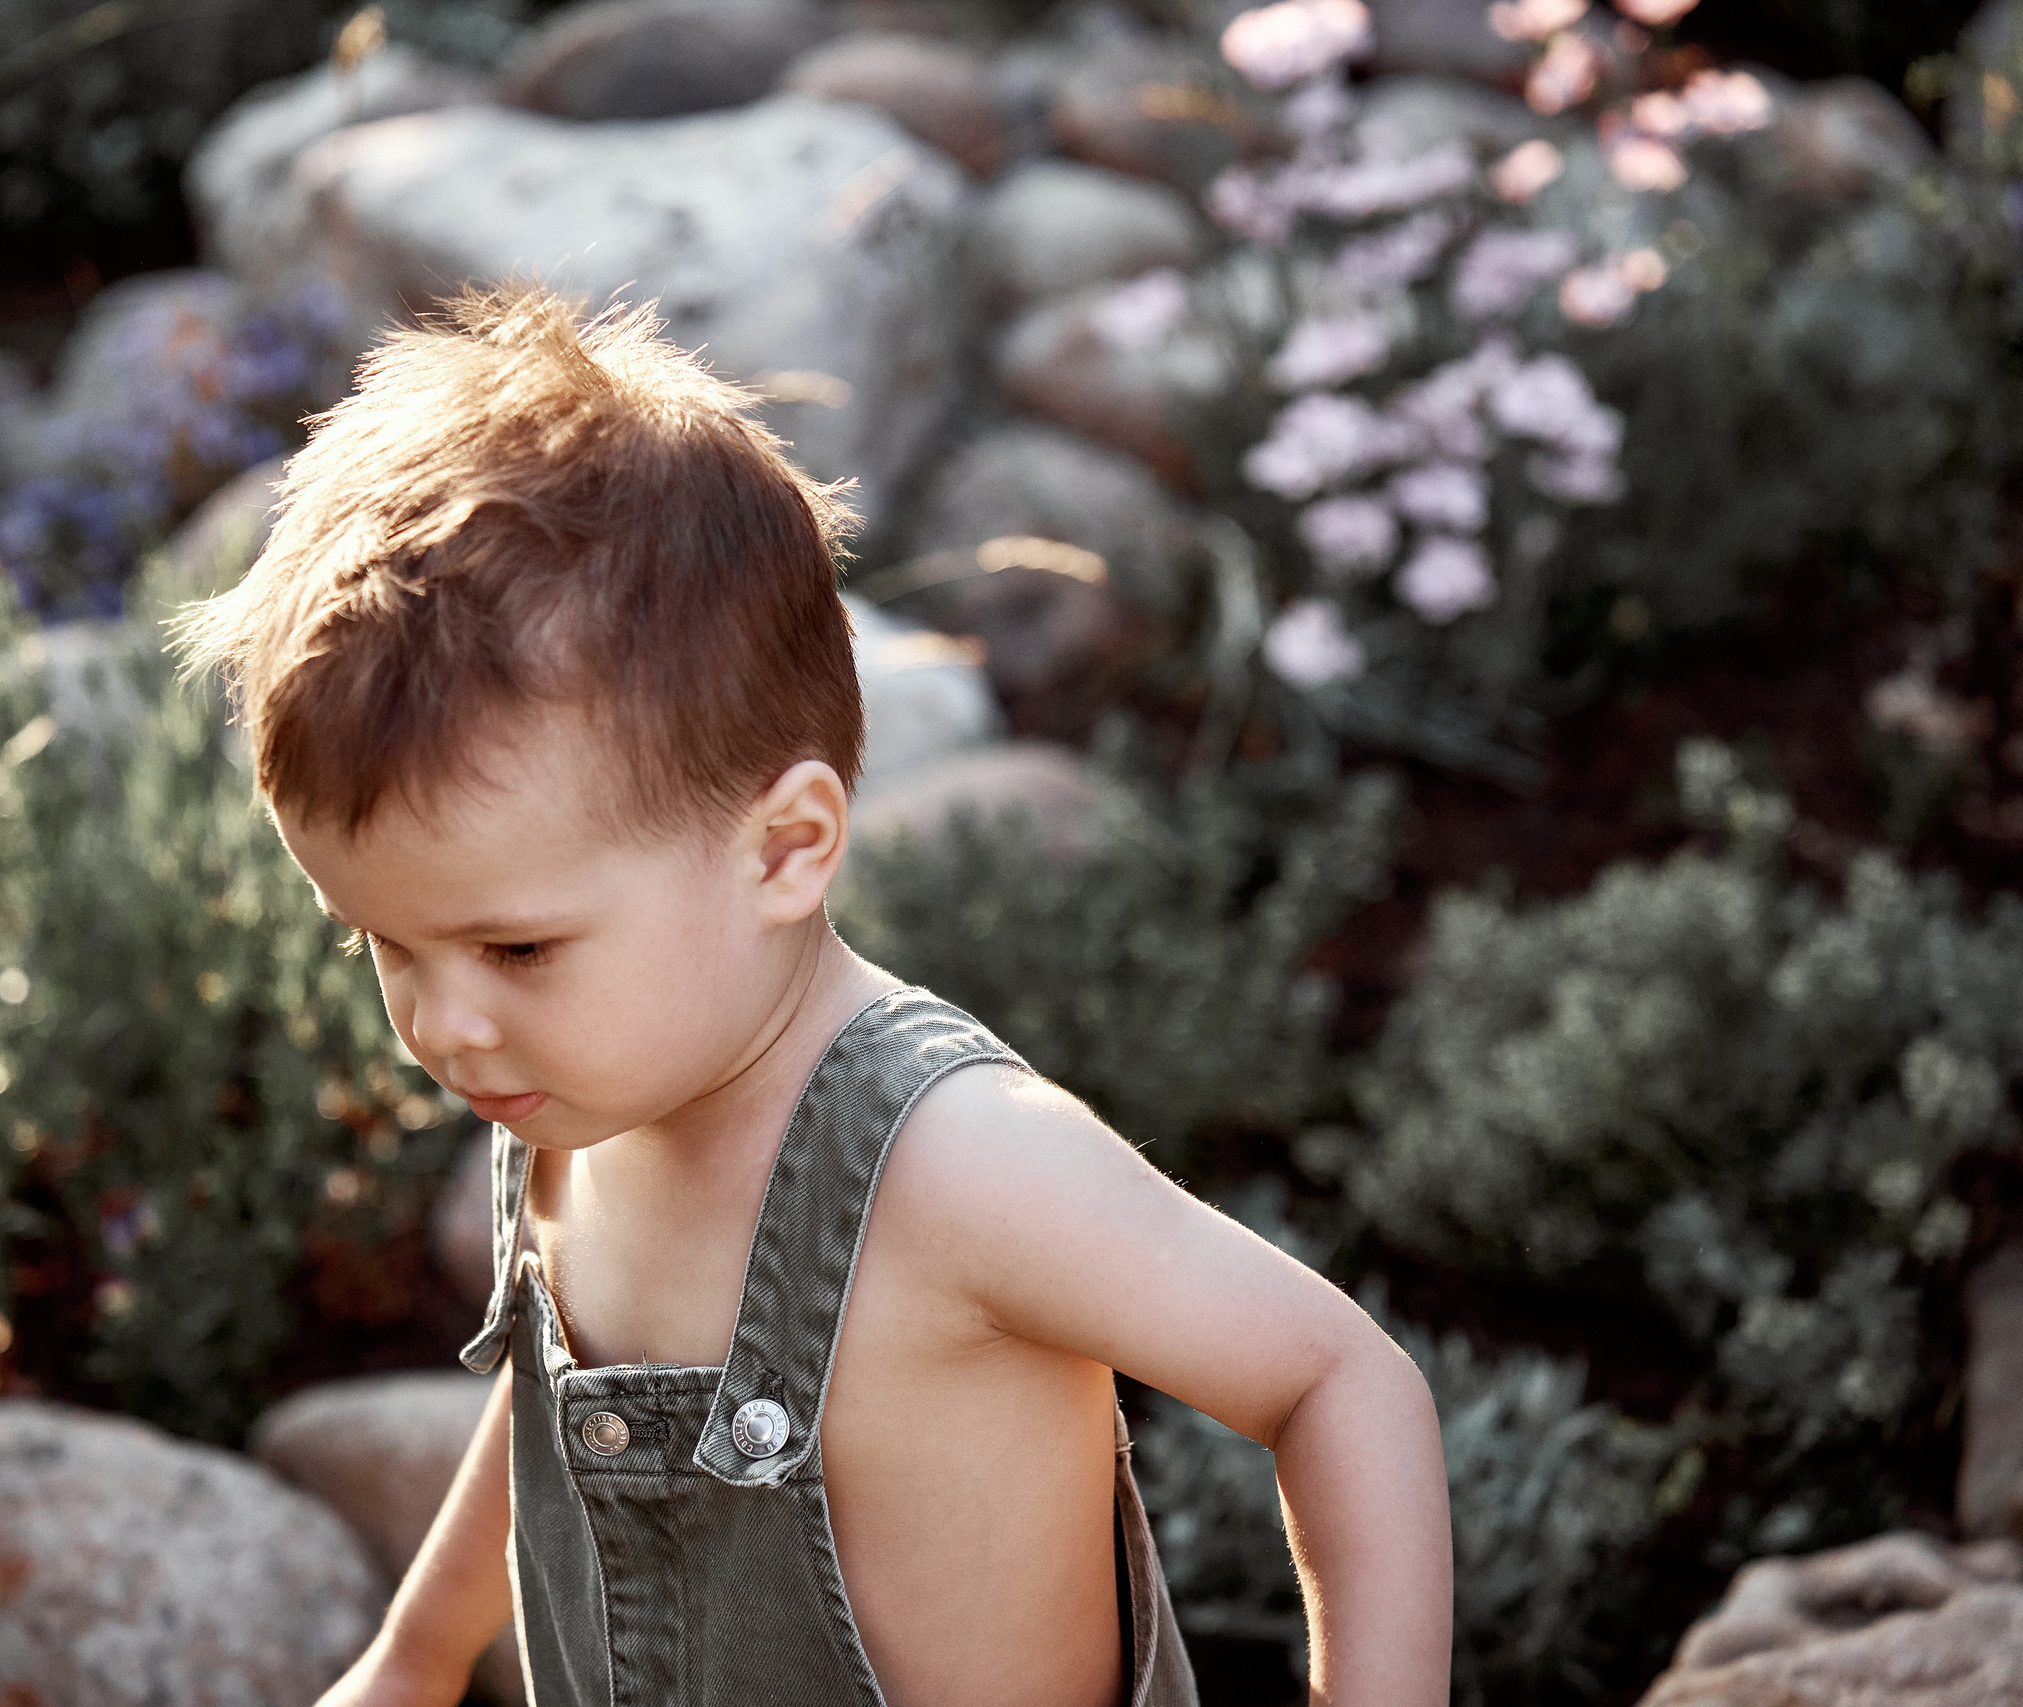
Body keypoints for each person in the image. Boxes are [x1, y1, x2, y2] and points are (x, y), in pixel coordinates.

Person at [178, 283, 1451, 1707]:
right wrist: (414, 1661)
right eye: (383, 945)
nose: (446, 1023)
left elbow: (1342, 1384)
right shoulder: (576, 1100)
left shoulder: (956, 1167)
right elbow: (562, 1405)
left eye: (516, 949)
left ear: (785, 847)